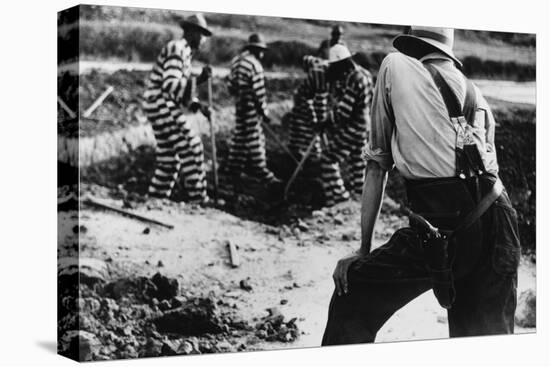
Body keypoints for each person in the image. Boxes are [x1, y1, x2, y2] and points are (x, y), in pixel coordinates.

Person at [322, 27, 521, 345]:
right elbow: (486, 171)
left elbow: (377, 165)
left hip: (444, 221)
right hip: (501, 222)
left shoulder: (395, 65)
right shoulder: (476, 94)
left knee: (354, 290)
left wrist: (362, 250)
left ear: (413, 42)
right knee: (484, 346)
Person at [142, 13, 213, 203]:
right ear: (191, 32)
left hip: (160, 104)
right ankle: (198, 200)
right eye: (202, 34)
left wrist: (199, 106)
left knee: (169, 160)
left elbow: (181, 92)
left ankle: (155, 201)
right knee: (192, 146)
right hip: (161, 103)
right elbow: (170, 85)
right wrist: (199, 80)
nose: (204, 40)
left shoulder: (185, 53)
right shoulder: (177, 48)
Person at [223, 33, 280, 187]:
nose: (262, 54)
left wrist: (239, 97)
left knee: (240, 139)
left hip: (239, 107)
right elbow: (258, 93)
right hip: (250, 109)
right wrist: (264, 113)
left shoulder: (236, 61)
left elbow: (230, 86)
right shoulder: (255, 65)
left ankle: (232, 170)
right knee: (255, 139)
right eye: (261, 50)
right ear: (257, 49)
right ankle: (263, 173)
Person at [321, 44, 374, 207]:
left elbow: (344, 112)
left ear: (342, 63)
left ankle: (339, 199)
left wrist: (326, 121)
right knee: (357, 163)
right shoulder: (365, 74)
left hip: (354, 128)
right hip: (365, 126)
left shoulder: (353, 79)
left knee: (328, 159)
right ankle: (359, 199)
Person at [287, 40, 331, 164]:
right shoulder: (320, 70)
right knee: (306, 129)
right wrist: (317, 119)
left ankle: (304, 157)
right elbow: (306, 60)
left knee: (309, 128)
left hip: (311, 99)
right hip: (304, 100)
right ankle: (307, 158)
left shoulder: (329, 69)